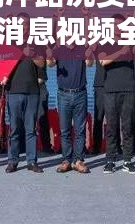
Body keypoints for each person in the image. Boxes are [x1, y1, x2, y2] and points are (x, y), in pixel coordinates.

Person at [5, 13, 46, 173]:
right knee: (14, 129)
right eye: (20, 24)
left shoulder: (36, 41)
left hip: (32, 92)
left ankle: (31, 161)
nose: (23, 27)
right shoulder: (9, 42)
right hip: (13, 91)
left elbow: (42, 63)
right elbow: (1, 63)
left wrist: (32, 54)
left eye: (26, 24)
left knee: (30, 129)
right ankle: (12, 161)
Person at [98, 14, 135, 175]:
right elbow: (103, 61)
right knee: (111, 127)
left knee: (127, 126)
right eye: (114, 24)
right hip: (110, 90)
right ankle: (110, 160)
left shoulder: (130, 41)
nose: (117, 27)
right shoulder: (105, 42)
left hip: (128, 89)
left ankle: (127, 161)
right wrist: (121, 52)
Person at [47, 43, 93, 174]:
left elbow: (90, 64)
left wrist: (89, 53)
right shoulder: (58, 48)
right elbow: (50, 64)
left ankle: (78, 161)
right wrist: (49, 56)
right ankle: (66, 160)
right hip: (63, 94)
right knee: (64, 129)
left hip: (80, 93)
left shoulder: (83, 47)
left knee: (80, 130)